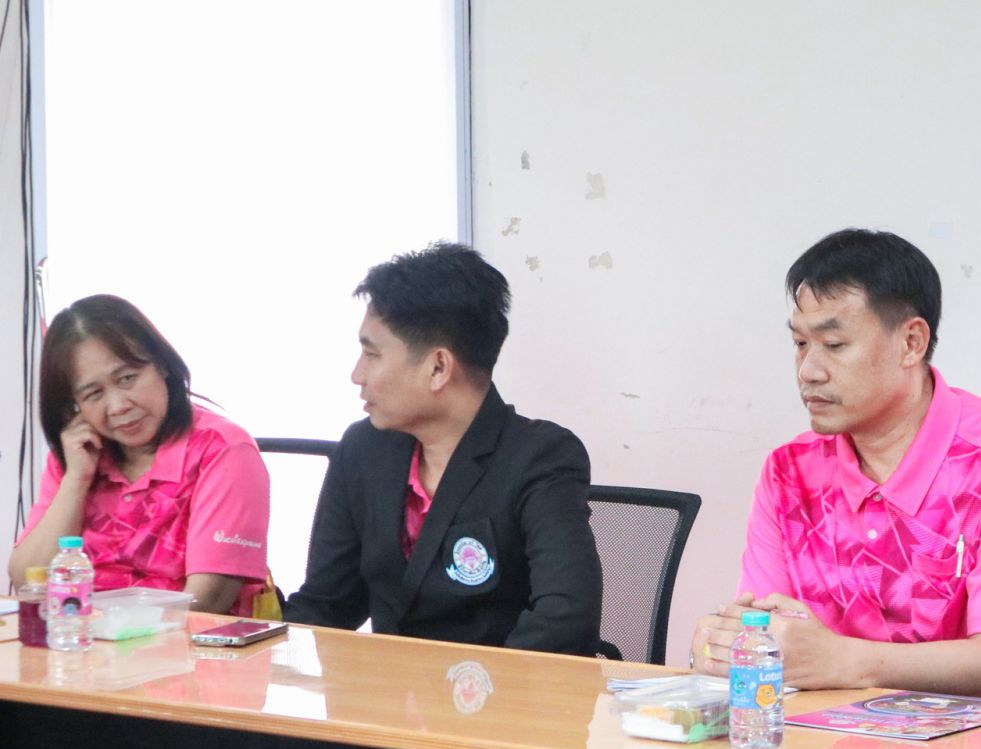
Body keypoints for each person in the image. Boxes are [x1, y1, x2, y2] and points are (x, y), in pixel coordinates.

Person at [691, 229, 981, 704]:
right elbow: (765, 632)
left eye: (834, 344)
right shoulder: (790, 472)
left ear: (911, 342)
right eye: (799, 343)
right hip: (825, 741)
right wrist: (722, 646)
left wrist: (841, 661)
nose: (808, 370)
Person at [283, 242, 602, 654]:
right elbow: (327, 605)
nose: (356, 375)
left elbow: (565, 619)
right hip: (386, 692)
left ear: (438, 367)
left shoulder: (540, 457)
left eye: (371, 354)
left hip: (495, 690)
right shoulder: (363, 450)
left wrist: (474, 690)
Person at [8, 295, 270, 615]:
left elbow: (207, 601)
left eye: (127, 378)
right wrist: (76, 480)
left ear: (162, 364)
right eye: (94, 393)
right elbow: (27, 583)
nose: (118, 406)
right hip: (78, 638)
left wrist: (103, 631)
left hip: (183, 642)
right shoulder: (78, 454)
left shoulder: (223, 450)